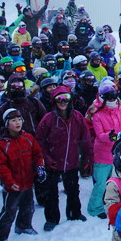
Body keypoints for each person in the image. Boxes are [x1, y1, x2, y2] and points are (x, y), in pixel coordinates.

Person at [35, 86, 91, 231]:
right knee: (51, 192)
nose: (62, 102)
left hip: (72, 160)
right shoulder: (49, 119)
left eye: (65, 98)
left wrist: (86, 158)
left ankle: (74, 213)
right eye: (58, 99)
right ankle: (52, 218)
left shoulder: (77, 116)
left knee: (73, 189)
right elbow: (39, 141)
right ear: (54, 101)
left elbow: (85, 138)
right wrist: (47, 158)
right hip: (53, 162)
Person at [0, 109, 46, 241]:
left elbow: (37, 154)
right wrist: (9, 182)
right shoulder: (3, 144)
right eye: (13, 120)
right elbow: (2, 166)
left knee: (28, 207)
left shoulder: (28, 138)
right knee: (9, 211)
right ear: (6, 123)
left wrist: (40, 167)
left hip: (28, 182)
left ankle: (24, 225)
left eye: (19, 120)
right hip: (12, 186)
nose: (17, 123)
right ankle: (1, 237)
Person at [87, 82, 121, 219]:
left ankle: (117, 202)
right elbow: (99, 134)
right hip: (103, 154)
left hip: (119, 151)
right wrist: (110, 136)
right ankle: (95, 207)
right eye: (109, 99)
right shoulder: (97, 113)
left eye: (113, 98)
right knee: (101, 183)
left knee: (119, 180)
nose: (112, 101)